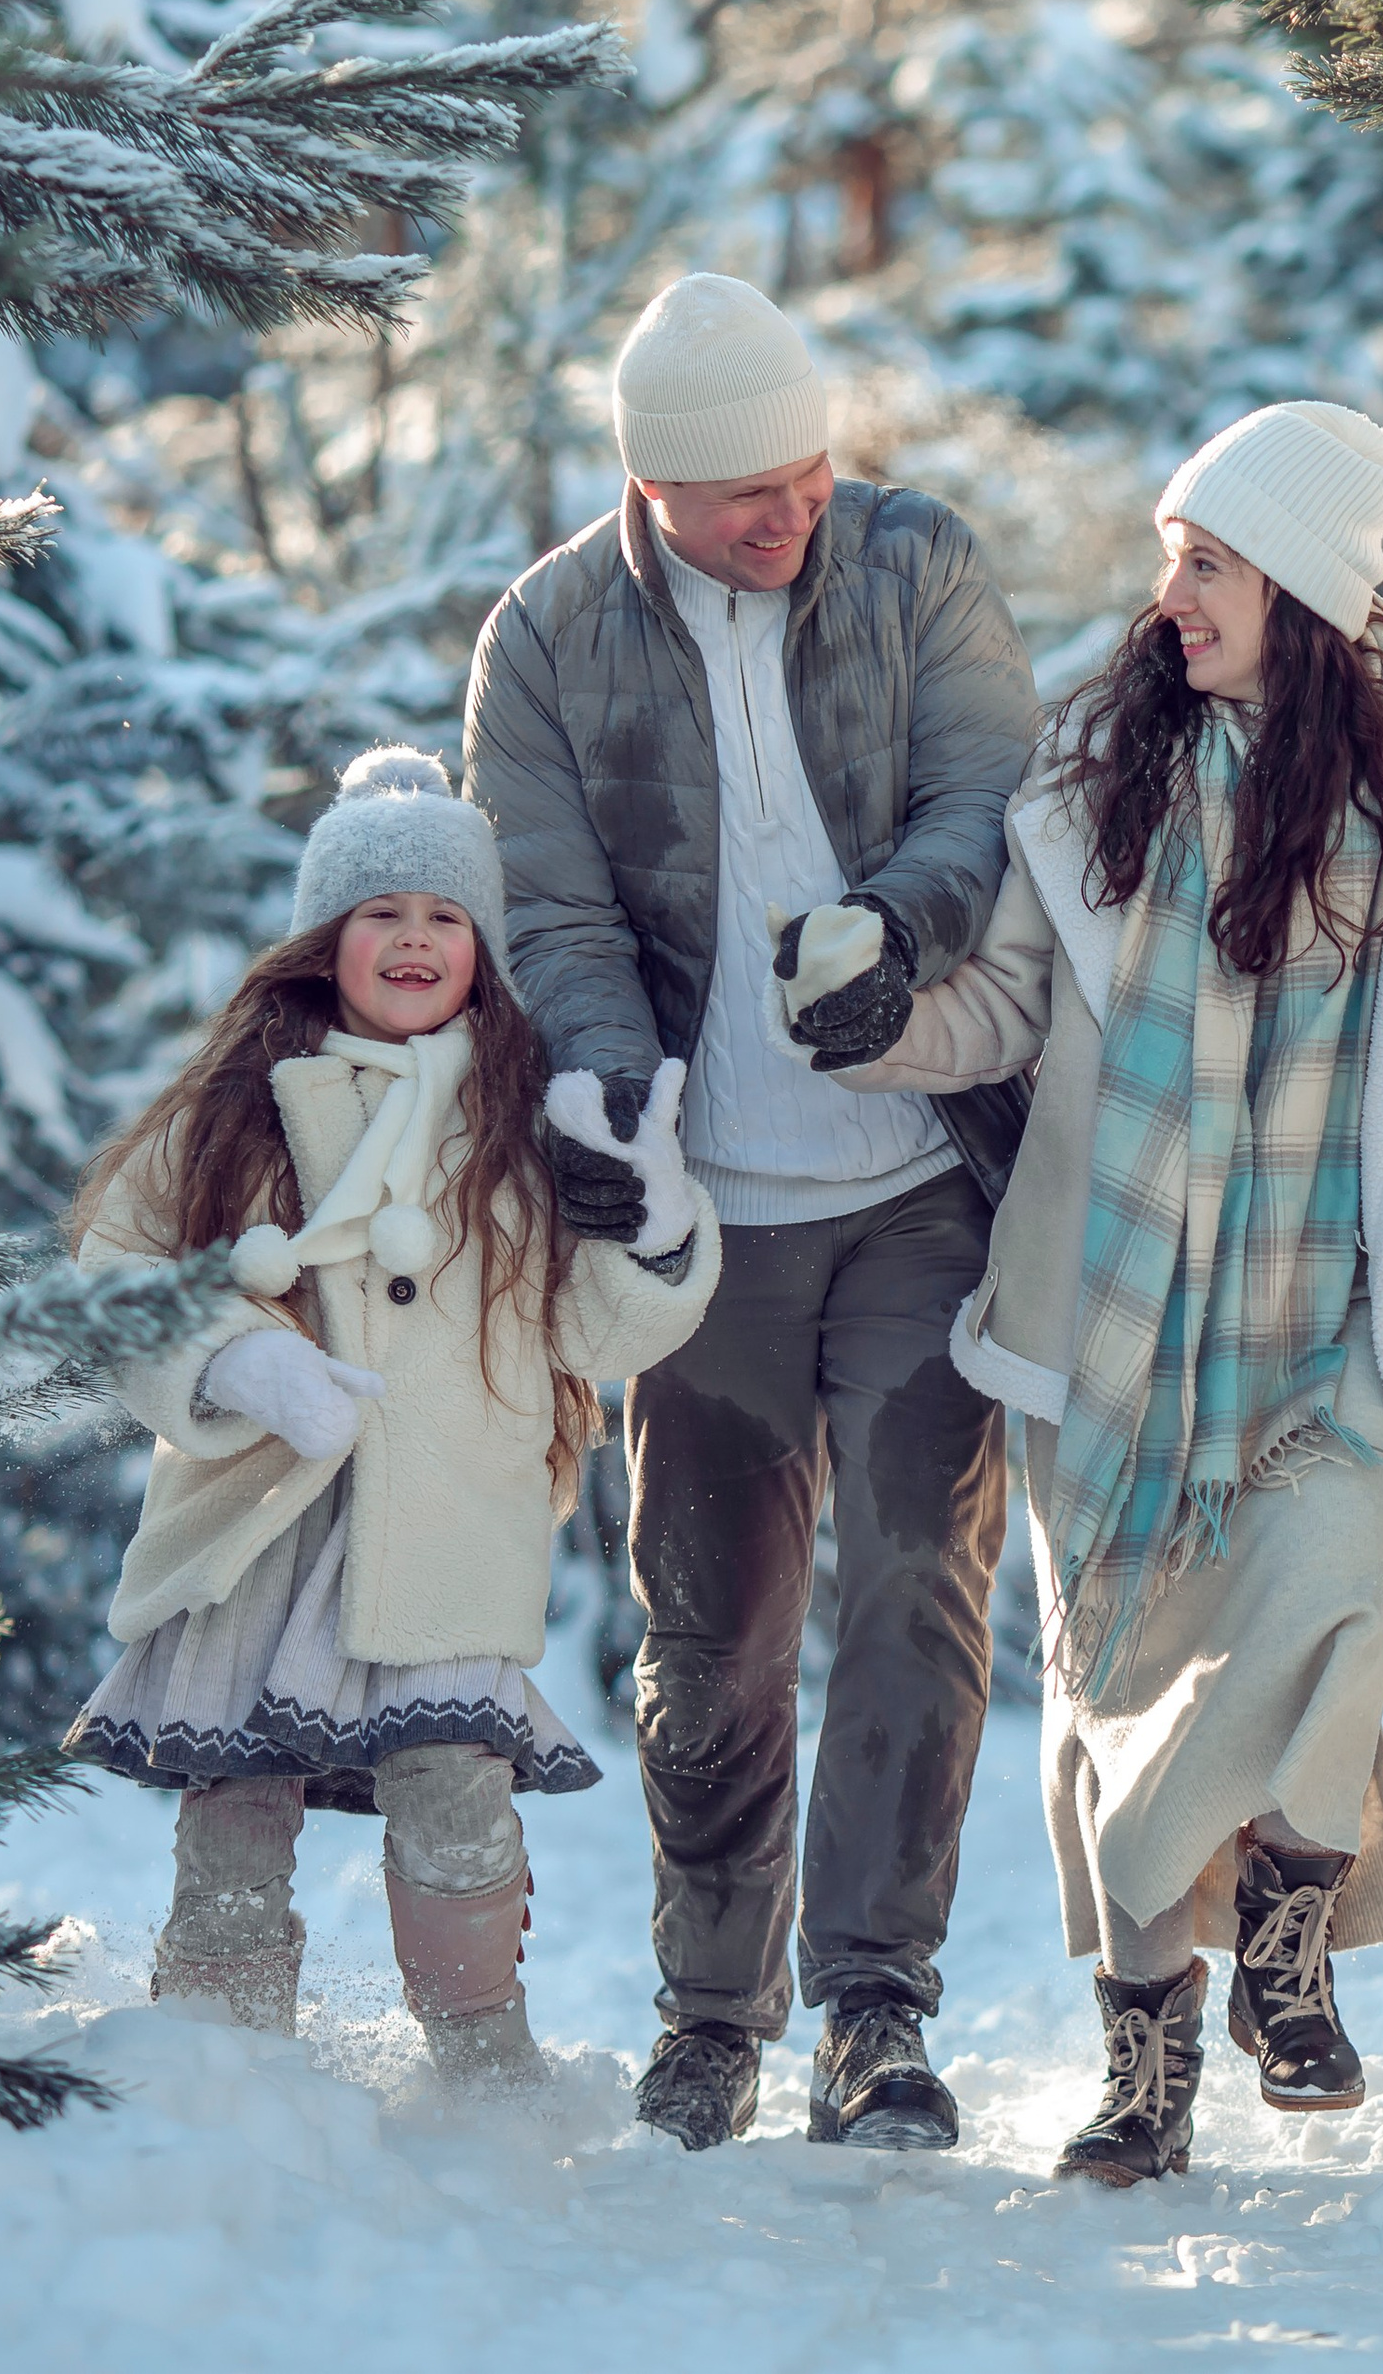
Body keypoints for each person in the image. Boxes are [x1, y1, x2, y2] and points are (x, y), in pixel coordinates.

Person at [790, 402, 1383, 2184]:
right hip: (1111, 1319)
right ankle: (1148, 2059)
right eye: (1173, 555)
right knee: (1124, 1701)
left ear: (1304, 593)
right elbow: (1001, 1011)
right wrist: (874, 1032)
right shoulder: (1099, 776)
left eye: (1209, 564)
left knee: (1331, 1615)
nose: (1169, 595)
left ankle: (1291, 1942)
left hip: (1330, 1315)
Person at [462, 273, 1037, 2152]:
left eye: (806, 471)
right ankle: (715, 2007)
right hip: (707, 1224)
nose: (785, 515)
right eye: (740, 498)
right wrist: (610, 1104)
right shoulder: (546, 638)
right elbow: (551, 917)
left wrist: (905, 940)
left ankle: (878, 2006)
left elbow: (986, 794)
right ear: (652, 488)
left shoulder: (912, 561)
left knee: (914, 1593)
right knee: (711, 1627)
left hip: (918, 1185)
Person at [64, 747, 719, 2084]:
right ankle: (218, 2054)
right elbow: (116, 1274)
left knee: (456, 1797)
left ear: (479, 948)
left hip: (443, 1529)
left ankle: (482, 2060)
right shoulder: (232, 1109)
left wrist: (655, 1225)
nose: (414, 940)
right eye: (382, 915)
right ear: (325, 942)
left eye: (444, 918)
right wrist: (237, 1361)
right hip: (268, 1520)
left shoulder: (516, 1126)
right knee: (238, 1792)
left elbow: (592, 1323)